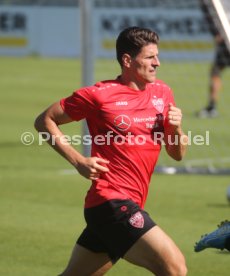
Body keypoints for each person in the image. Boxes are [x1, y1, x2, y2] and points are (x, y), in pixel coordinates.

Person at [34, 26, 188, 276]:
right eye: (150, 57)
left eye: (157, 56)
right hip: (111, 203)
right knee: (174, 268)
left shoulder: (163, 93)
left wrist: (176, 128)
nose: (157, 63)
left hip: (119, 206)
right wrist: (78, 161)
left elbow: (177, 154)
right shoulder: (99, 96)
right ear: (127, 60)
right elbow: (45, 120)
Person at [196, 0, 230, 118]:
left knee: (216, 71)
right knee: (215, 71)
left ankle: (212, 107)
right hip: (225, 40)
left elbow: (213, 15)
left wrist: (218, 34)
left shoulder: (213, 4)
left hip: (225, 41)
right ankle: (211, 107)